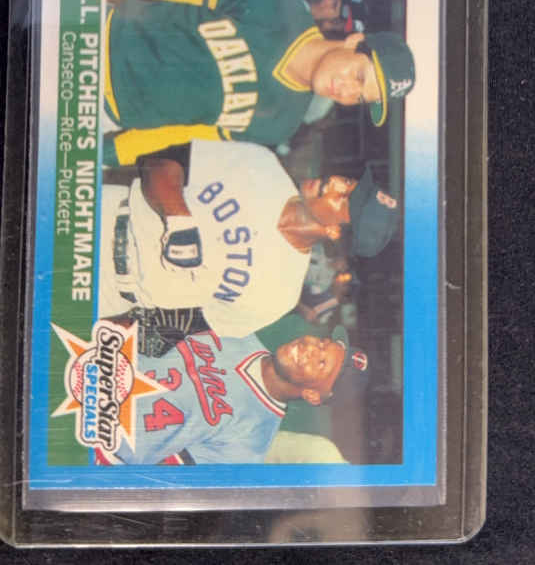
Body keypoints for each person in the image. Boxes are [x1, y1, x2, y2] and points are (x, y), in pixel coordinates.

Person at [102, 0, 415, 165]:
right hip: (97, 41)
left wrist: (115, 153)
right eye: (359, 76)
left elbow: (185, 130)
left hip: (107, 116)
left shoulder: (282, 124)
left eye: (359, 97)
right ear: (354, 42)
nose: (347, 91)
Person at [99, 143, 401, 350]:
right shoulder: (261, 165)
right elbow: (158, 162)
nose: (334, 182)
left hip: (113, 294)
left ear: (335, 232)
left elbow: (175, 328)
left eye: (344, 199)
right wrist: (178, 220)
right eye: (347, 182)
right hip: (107, 212)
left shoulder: (279, 297)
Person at [95, 325, 367, 465]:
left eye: (321, 362)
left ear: (312, 395)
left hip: (97, 442)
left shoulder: (251, 443)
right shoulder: (240, 334)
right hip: (93, 369)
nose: (310, 347)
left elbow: (159, 481)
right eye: (323, 343)